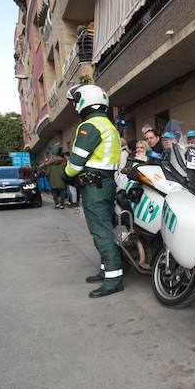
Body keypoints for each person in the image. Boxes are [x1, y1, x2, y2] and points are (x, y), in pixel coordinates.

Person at [62, 84, 124, 298]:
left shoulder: (89, 126)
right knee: (106, 227)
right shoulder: (109, 126)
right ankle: (107, 270)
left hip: (94, 187)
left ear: (84, 101)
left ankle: (114, 280)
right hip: (106, 184)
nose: (75, 106)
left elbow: (76, 162)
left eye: (75, 102)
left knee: (101, 231)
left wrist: (66, 175)